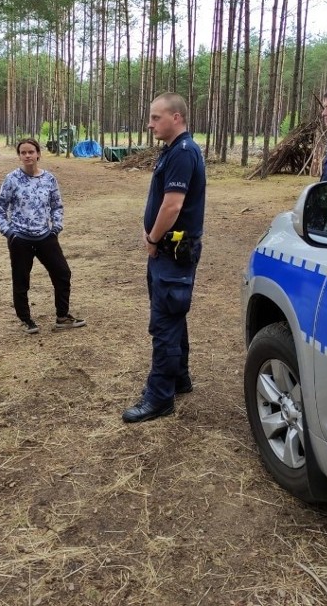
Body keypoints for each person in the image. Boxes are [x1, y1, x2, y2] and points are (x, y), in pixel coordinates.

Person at [122, 92, 206, 423]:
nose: (150, 123)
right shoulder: (172, 150)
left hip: (172, 251)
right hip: (167, 252)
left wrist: (153, 238)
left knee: (164, 323)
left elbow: (172, 205)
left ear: (176, 118)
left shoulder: (183, 152)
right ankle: (179, 378)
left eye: (156, 117)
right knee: (172, 316)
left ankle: (159, 397)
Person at [0, 137, 86, 334]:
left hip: (45, 237)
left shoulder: (49, 179)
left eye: (31, 152)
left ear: (38, 154)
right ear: (19, 156)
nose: (27, 155)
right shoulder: (12, 179)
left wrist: (56, 228)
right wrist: (9, 233)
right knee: (21, 281)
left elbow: (56, 206)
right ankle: (26, 320)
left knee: (62, 273)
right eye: (23, 152)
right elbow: (0, 210)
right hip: (20, 239)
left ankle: (62, 317)